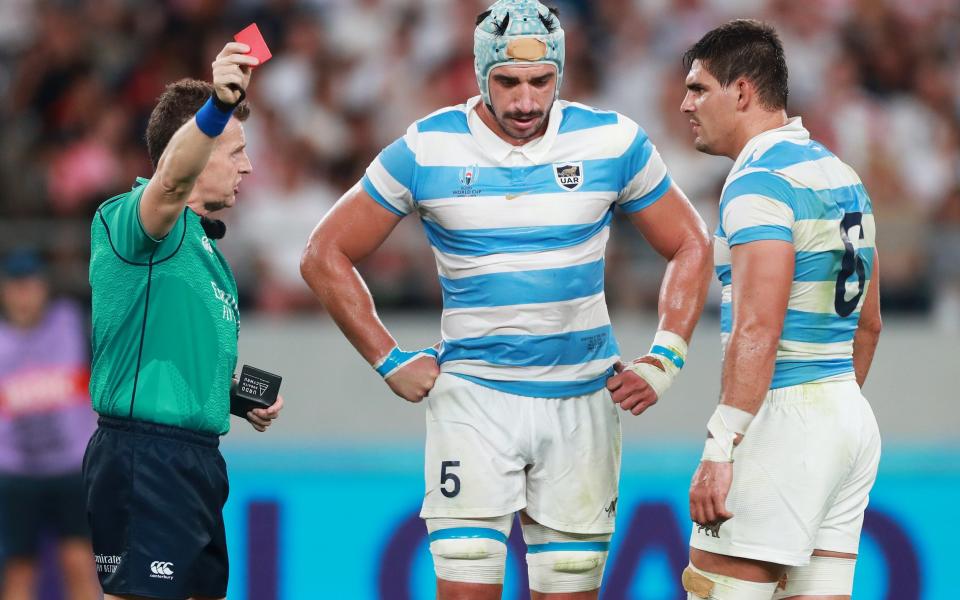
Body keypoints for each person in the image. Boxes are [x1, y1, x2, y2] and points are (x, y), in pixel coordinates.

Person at [300, 1, 712, 598]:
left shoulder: (613, 141)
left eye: (541, 81)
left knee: (568, 587)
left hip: (582, 401)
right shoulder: (427, 149)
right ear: (480, 75)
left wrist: (666, 358)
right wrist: (388, 359)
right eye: (509, 82)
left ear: (560, 75)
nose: (525, 101)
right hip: (475, 403)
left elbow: (691, 244)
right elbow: (323, 253)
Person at [679, 20, 882, 600]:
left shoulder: (759, 183)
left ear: (741, 92)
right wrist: (829, 418)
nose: (685, 103)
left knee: (715, 589)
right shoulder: (844, 176)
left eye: (698, 88)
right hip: (846, 415)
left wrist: (723, 445)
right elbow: (869, 323)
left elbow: (757, 325)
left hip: (781, 416)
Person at [83, 41, 283, 600]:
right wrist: (217, 105)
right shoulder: (135, 221)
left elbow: (173, 358)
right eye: (235, 151)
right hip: (144, 456)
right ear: (193, 151)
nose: (247, 165)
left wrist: (240, 396)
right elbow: (171, 183)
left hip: (197, 460)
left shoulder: (209, 255)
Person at [0, 249, 99, 600]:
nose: (23, 294)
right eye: (15, 286)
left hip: (71, 468)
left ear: (44, 287)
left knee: (78, 561)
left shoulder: (72, 324)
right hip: (15, 474)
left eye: (30, 285)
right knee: (18, 568)